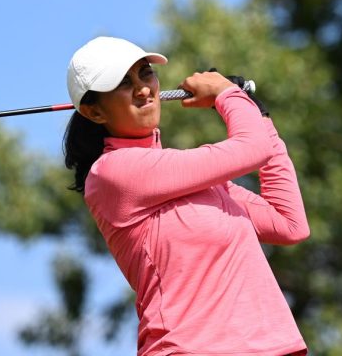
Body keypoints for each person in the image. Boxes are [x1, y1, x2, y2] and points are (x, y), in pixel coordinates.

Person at [63, 36, 310, 356]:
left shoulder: (201, 184)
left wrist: (260, 116)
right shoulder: (112, 172)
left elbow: (289, 224)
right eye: (123, 83)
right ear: (94, 112)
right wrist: (228, 95)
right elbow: (252, 148)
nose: (142, 89)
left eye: (145, 73)